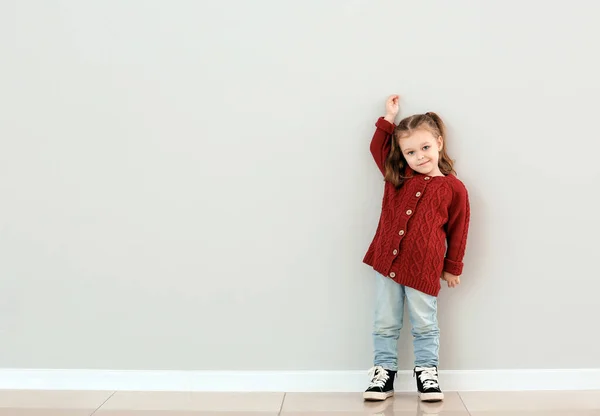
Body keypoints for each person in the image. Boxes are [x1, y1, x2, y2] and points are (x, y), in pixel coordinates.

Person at [362, 95, 470, 402]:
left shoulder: (453, 187)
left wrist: (452, 266)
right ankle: (383, 373)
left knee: (425, 322)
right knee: (385, 320)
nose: (420, 156)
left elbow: (459, 230)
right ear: (402, 155)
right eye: (411, 151)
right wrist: (388, 118)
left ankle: (428, 374)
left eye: (425, 148)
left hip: (425, 268)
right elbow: (377, 149)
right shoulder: (397, 176)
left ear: (438, 142)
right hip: (387, 262)